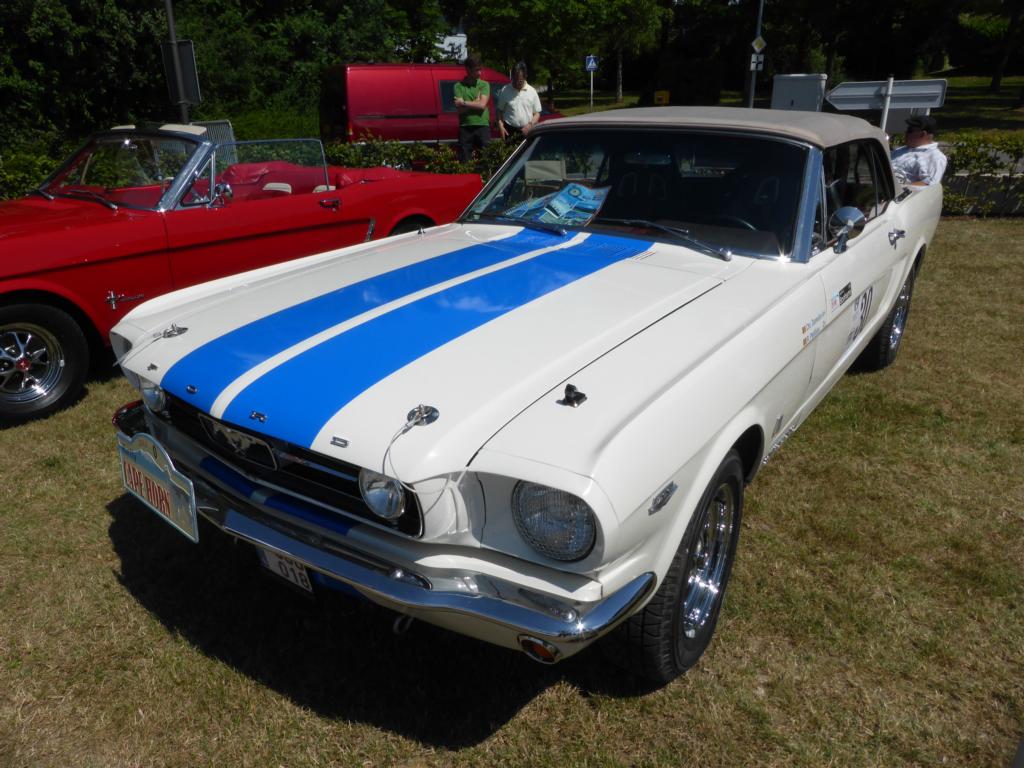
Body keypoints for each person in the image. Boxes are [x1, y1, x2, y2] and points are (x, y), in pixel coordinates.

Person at [891, 115, 947, 186]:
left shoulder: (935, 157)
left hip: (899, 195)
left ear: (923, 134)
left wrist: (902, 187)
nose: (905, 133)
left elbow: (929, 184)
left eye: (910, 130)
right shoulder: (901, 150)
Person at [454, 56, 490, 162]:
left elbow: (482, 105)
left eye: (480, 69)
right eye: (476, 70)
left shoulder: (484, 85)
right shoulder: (458, 86)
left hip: (482, 125)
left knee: (486, 159)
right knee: (465, 160)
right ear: (468, 69)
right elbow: (460, 110)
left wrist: (464, 103)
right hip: (465, 127)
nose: (480, 73)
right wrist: (475, 103)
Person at [497, 61, 542, 143]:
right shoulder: (505, 90)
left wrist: (530, 125)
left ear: (525, 77)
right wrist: (501, 126)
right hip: (509, 130)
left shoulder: (532, 91)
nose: (517, 83)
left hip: (528, 129)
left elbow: (537, 113)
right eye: (515, 80)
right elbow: (500, 111)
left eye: (520, 81)